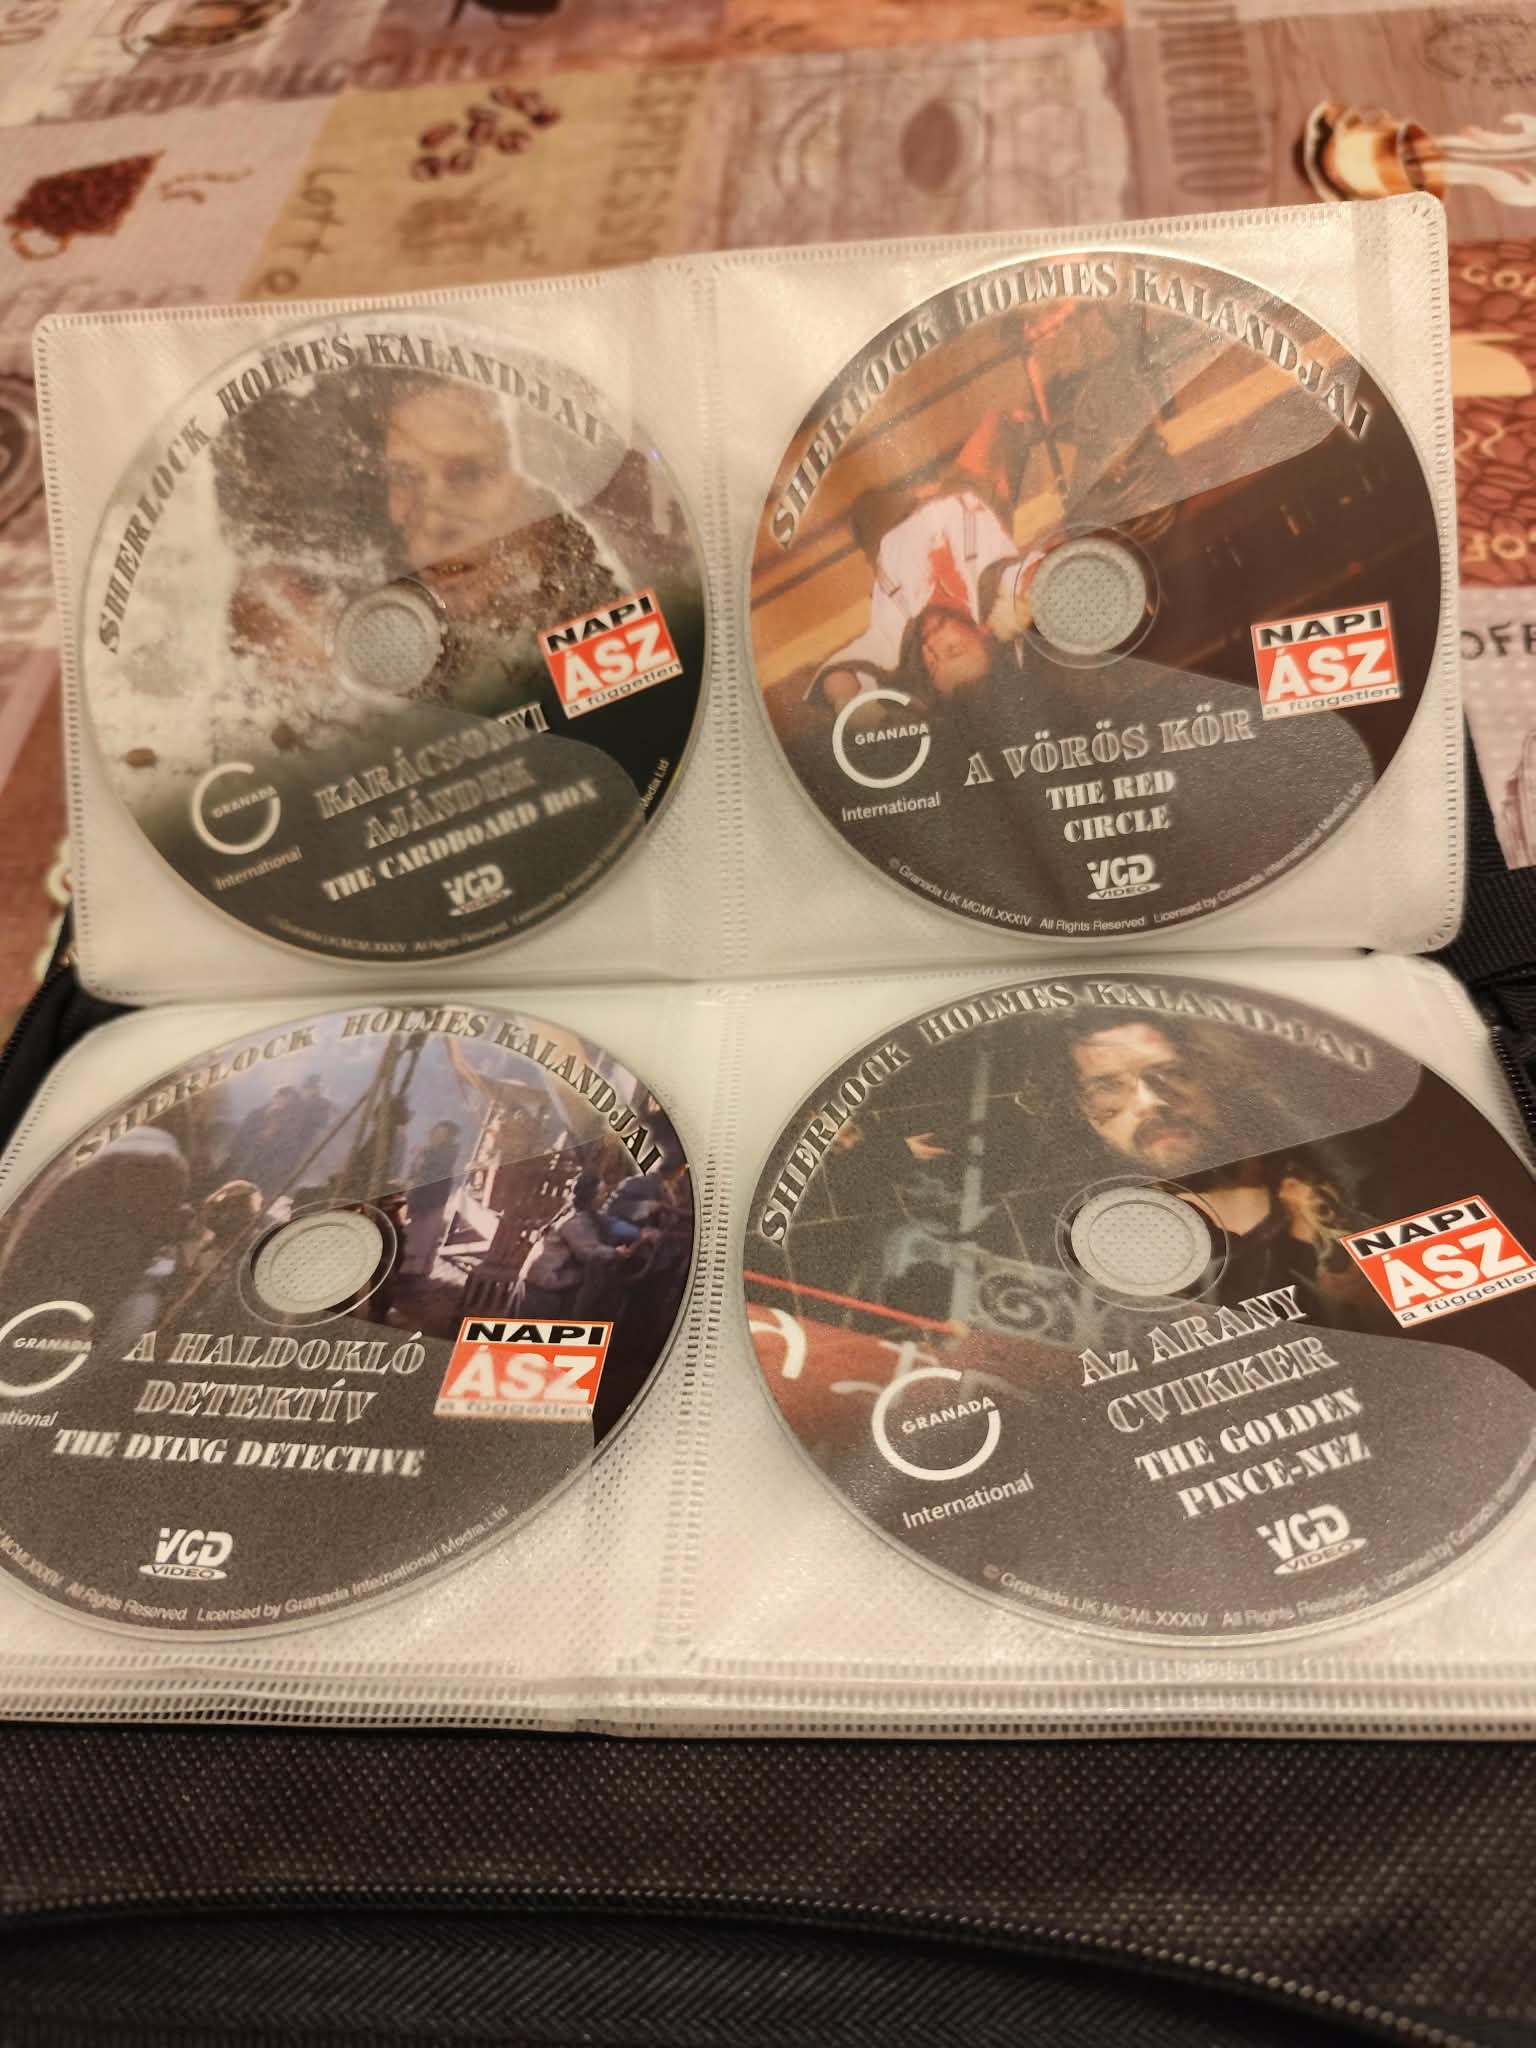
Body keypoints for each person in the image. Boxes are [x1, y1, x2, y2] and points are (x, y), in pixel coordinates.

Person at [1060, 1013, 1377, 1324]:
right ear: (1086, 1112)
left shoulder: (1350, 1182)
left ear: (1211, 1074)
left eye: (1171, 1073)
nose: (1150, 1102)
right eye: (1108, 1087)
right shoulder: (1096, 1252)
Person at [512, 1167, 618, 1318]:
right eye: (601, 1193)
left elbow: (610, 1224)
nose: (605, 1197)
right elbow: (588, 1252)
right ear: (590, 1197)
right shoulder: (575, 1222)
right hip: (542, 1285)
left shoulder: (581, 1215)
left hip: (539, 1281)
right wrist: (616, 1252)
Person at [401, 1119, 464, 1280]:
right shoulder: (428, 1151)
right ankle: (406, 1267)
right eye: (435, 1133)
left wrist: (425, 1153)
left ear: (447, 1138)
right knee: (413, 1232)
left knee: (425, 1234)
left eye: (441, 1134)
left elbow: (436, 1169)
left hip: (433, 1199)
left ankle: (417, 1270)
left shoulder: (448, 1153)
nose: (436, 1136)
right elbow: (415, 1171)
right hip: (418, 1196)